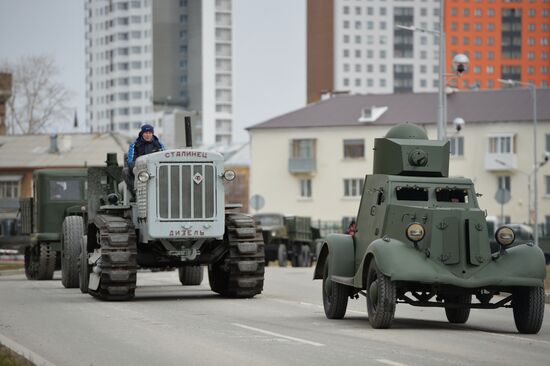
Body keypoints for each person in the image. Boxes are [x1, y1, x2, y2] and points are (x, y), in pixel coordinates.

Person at [125, 124, 165, 191]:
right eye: (146, 133)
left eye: (150, 133)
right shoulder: (135, 145)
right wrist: (141, 166)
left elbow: (164, 158)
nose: (148, 135)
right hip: (140, 169)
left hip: (155, 168)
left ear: (152, 134)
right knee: (126, 171)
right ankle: (135, 191)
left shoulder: (159, 145)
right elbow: (130, 161)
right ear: (142, 133)